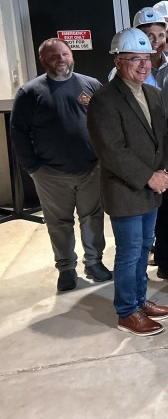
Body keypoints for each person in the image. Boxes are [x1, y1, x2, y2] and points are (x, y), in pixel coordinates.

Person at [87, 27, 168, 336]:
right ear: (117, 60)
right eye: (133, 59)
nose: (143, 65)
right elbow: (111, 151)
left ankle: (140, 300)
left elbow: (163, 137)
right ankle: (127, 312)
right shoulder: (104, 99)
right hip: (126, 190)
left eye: (147, 58)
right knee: (129, 252)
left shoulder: (150, 93)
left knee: (143, 249)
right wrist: (149, 177)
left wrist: (164, 172)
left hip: (152, 188)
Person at [10, 38, 110, 291]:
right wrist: (33, 168)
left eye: (65, 54)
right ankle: (66, 268)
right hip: (50, 174)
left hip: (90, 169)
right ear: (43, 60)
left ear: (72, 56)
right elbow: (18, 133)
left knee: (92, 218)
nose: (61, 59)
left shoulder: (91, 85)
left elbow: (105, 122)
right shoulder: (30, 93)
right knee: (59, 222)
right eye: (54, 56)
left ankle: (94, 262)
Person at [127, 7, 168, 285]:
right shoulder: (122, 73)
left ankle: (166, 262)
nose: (155, 41)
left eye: (160, 35)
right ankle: (136, 273)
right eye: (148, 35)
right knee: (140, 215)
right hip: (140, 156)